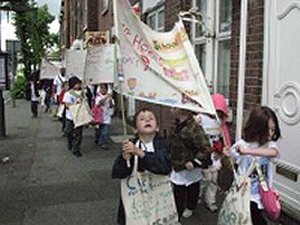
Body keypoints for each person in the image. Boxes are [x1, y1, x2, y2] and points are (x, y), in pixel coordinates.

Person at [112, 108, 171, 225]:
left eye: (151, 118)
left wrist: (140, 153)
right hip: (136, 197)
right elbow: (117, 173)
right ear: (135, 129)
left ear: (157, 127)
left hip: (159, 195)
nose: (147, 120)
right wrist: (125, 160)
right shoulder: (130, 146)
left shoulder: (163, 144)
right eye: (142, 119)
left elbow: (164, 167)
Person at [229, 106, 281, 225]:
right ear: (256, 128)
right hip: (244, 193)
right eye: (267, 129)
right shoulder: (242, 144)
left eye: (273, 130)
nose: (270, 133)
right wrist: (230, 152)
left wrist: (248, 151)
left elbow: (273, 153)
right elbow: (232, 157)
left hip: (261, 193)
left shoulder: (270, 145)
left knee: (256, 216)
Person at [169, 107, 211, 220]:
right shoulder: (175, 124)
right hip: (177, 163)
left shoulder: (195, 127)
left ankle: (190, 206)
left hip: (190, 166)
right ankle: (177, 211)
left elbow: (206, 148)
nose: (171, 108)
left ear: (183, 110)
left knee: (193, 187)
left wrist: (194, 162)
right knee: (178, 189)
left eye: (174, 106)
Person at [198, 93, 232, 212]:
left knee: (214, 180)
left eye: (220, 111)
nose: (217, 113)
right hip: (203, 154)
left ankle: (210, 201)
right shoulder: (202, 118)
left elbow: (225, 136)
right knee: (205, 178)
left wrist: (225, 150)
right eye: (215, 110)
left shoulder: (220, 121)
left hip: (216, 155)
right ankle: (198, 195)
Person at [63, 76, 83, 157]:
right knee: (69, 131)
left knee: (78, 134)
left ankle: (76, 149)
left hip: (79, 116)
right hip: (70, 117)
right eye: (76, 84)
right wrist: (75, 105)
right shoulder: (68, 94)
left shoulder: (82, 93)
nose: (78, 85)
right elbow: (67, 105)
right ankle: (70, 142)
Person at [94, 83, 114, 150]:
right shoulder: (98, 96)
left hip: (107, 117)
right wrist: (107, 96)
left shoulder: (109, 97)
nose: (103, 90)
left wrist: (110, 100)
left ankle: (103, 143)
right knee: (98, 130)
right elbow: (99, 103)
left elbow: (112, 106)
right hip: (99, 117)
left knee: (105, 132)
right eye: (101, 88)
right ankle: (97, 138)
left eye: (104, 88)